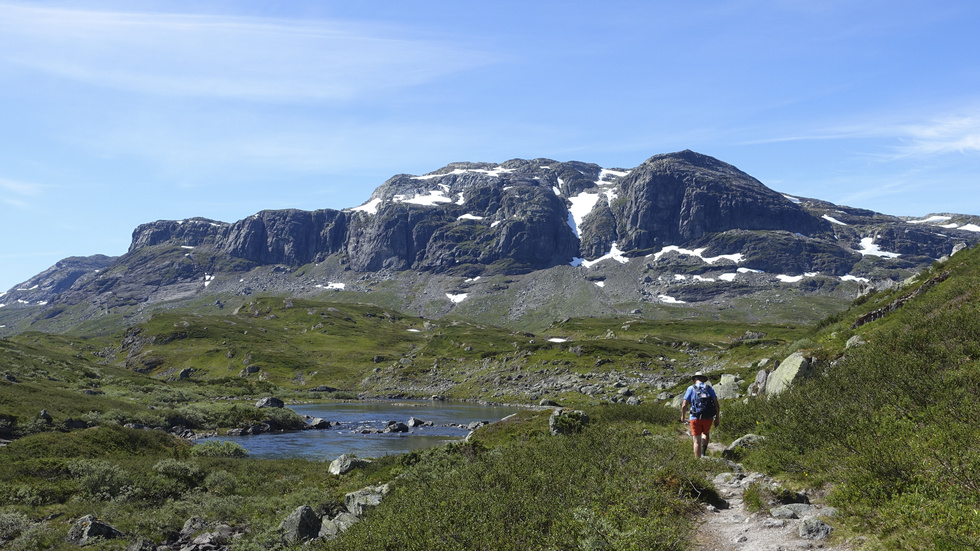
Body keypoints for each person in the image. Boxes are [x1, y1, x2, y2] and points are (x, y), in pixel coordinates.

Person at [680, 371, 721, 458]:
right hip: (708, 417)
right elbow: (717, 404)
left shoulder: (690, 388)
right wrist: (717, 418)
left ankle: (697, 461)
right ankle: (703, 452)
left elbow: (684, 405)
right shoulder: (709, 388)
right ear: (703, 380)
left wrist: (683, 416)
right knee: (706, 433)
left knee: (696, 441)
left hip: (695, 417)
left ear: (695, 379)